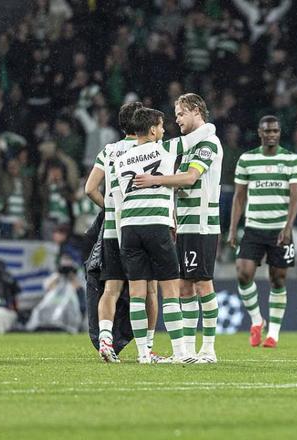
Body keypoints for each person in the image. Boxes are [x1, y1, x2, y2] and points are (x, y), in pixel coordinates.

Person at [110, 107, 215, 364]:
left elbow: (118, 200)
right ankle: (181, 353)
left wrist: (124, 235)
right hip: (156, 225)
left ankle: (143, 354)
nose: (165, 130)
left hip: (129, 228)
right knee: (170, 290)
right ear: (152, 130)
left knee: (137, 293)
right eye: (161, 126)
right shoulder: (165, 148)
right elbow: (205, 132)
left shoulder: (120, 159)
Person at [134, 93, 222, 363]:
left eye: (181, 114)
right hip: (185, 224)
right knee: (184, 287)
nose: (177, 120)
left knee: (203, 284)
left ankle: (209, 349)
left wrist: (155, 180)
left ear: (196, 110)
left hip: (202, 225)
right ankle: (187, 351)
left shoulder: (208, 143)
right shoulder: (190, 147)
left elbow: (190, 177)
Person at [84, 101, 161, 363]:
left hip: (113, 230)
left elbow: (90, 189)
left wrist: (111, 208)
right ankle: (147, 348)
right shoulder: (152, 149)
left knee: (111, 287)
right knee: (149, 290)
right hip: (143, 226)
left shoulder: (109, 150)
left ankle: (105, 340)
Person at [227, 115, 297, 349]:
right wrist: (232, 228)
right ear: (260, 133)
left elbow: (295, 196)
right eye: (267, 131)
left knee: (278, 279)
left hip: (279, 229)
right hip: (254, 227)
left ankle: (274, 334)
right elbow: (239, 197)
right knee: (243, 273)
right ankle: (257, 320)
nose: (272, 135)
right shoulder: (247, 159)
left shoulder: (291, 159)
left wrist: (288, 227)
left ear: (280, 133)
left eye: (275, 131)